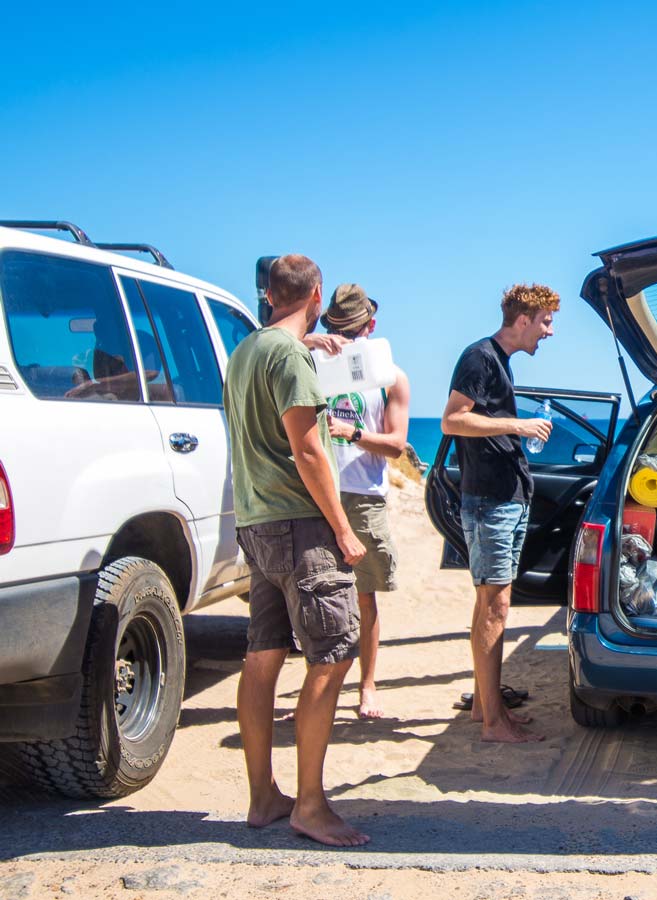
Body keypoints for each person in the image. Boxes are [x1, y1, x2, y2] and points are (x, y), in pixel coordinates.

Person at [223, 254, 369, 847]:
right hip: (299, 525)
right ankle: (310, 804)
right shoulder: (288, 357)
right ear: (315, 293)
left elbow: (277, 369)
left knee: (262, 656)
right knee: (332, 654)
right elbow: (308, 450)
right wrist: (343, 527)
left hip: (256, 524)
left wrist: (314, 344)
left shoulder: (248, 351)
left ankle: (263, 796)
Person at [441, 283, 559, 744]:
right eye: (546, 322)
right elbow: (452, 419)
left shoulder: (498, 361)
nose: (549, 333)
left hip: (501, 497)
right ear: (524, 318)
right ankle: (494, 722)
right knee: (496, 606)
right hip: (489, 500)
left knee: (488, 604)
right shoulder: (480, 357)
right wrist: (518, 424)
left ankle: (484, 709)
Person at [306, 283, 410, 719]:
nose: (346, 335)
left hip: (364, 496)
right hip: (315, 493)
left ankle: (367, 687)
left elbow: (397, 446)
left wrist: (353, 434)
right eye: (337, 327)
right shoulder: (309, 362)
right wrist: (308, 340)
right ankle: (315, 691)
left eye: (352, 327)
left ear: (371, 325)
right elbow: (267, 347)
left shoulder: (391, 375)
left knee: (365, 598)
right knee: (315, 598)